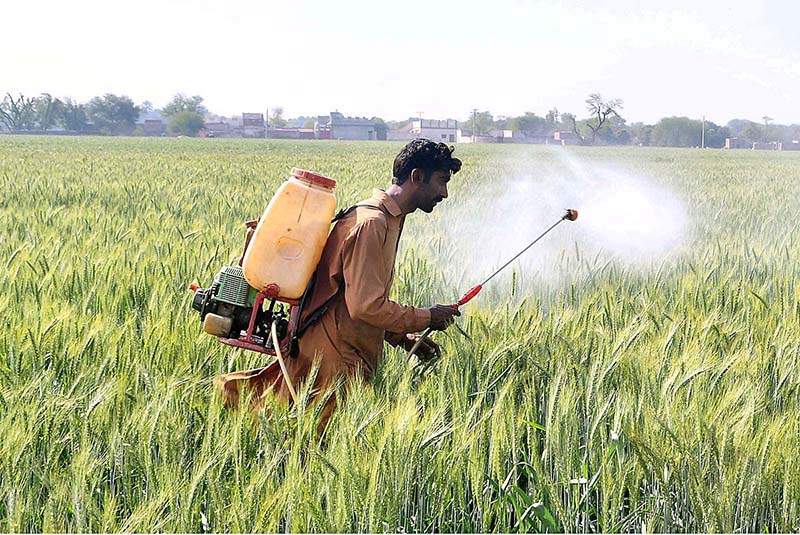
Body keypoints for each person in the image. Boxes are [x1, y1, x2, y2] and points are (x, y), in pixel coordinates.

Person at [216, 138, 462, 426]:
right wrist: (427, 317)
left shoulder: (381, 218)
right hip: (334, 364)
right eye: (441, 181)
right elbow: (365, 307)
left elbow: (348, 298)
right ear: (417, 177)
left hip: (339, 355)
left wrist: (401, 339)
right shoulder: (372, 224)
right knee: (311, 452)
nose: (444, 193)